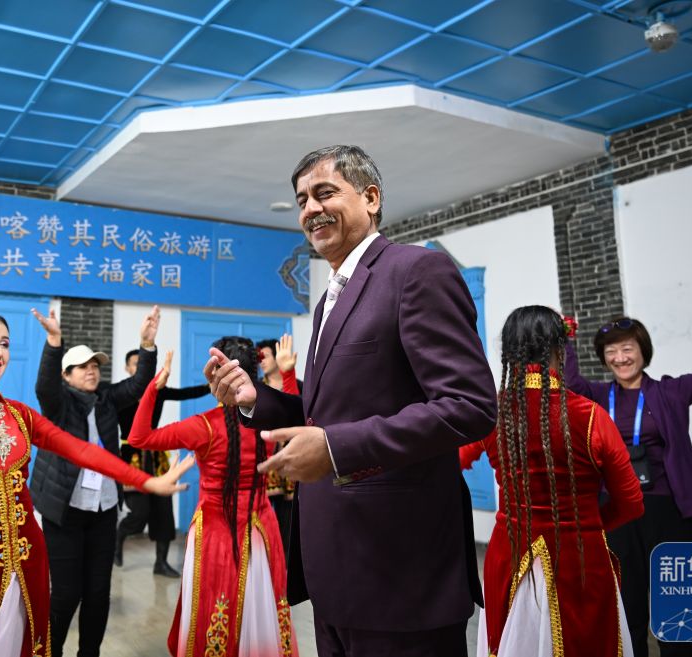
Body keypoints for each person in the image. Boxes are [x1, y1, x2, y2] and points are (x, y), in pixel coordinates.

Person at [206, 145, 497, 656]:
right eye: (302, 200)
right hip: (335, 567)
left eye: (325, 193)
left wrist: (337, 449)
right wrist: (256, 399)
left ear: (371, 198)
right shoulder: (329, 299)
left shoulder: (416, 271)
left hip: (399, 569)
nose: (311, 209)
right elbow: (327, 415)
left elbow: (469, 405)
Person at [0, 311, 192, 657]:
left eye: (5, 344)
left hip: (28, 558)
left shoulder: (19, 414)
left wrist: (146, 482)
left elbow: (81, 450)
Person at [562, 285, 692, 657]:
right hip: (617, 516)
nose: (620, 358)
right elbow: (569, 383)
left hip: (668, 513)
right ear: (604, 359)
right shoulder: (597, 397)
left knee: (676, 615)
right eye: (611, 352)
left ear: (642, 351)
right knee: (629, 613)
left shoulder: (671, 392)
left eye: (627, 349)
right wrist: (566, 339)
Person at [458, 306, 644, 657]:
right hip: (580, 559)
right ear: (561, 349)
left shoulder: (491, 414)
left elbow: (452, 464)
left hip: (510, 553)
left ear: (509, 353)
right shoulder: (592, 417)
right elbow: (632, 502)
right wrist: (590, 525)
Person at [129, 336, 298, 657]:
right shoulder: (269, 418)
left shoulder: (202, 426)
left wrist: (153, 390)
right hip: (262, 527)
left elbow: (139, 437)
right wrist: (287, 374)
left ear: (216, 376)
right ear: (252, 373)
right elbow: (297, 419)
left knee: (214, 606)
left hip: (215, 532)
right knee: (260, 608)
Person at [28, 305, 170, 656]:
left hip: (103, 509)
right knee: (65, 594)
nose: (92, 370)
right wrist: (54, 342)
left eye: (95, 365)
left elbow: (138, 385)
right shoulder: (57, 404)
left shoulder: (105, 397)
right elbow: (45, 386)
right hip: (65, 511)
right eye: (83, 366)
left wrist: (146, 345)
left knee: (97, 594)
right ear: (66, 375)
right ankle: (50, 651)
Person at [115, 349, 210, 576]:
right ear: (127, 368)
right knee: (139, 514)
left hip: (156, 456)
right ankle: (117, 540)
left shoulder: (159, 390)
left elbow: (186, 393)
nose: (140, 367)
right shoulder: (120, 393)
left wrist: (212, 385)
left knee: (164, 512)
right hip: (131, 456)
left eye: (143, 363)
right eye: (135, 363)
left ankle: (161, 563)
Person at [257, 335, 299, 556]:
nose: (262, 361)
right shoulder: (256, 389)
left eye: (265, 356)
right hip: (263, 457)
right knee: (261, 513)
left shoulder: (297, 385)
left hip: (291, 456)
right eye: (259, 358)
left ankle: (287, 562)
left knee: (288, 514)